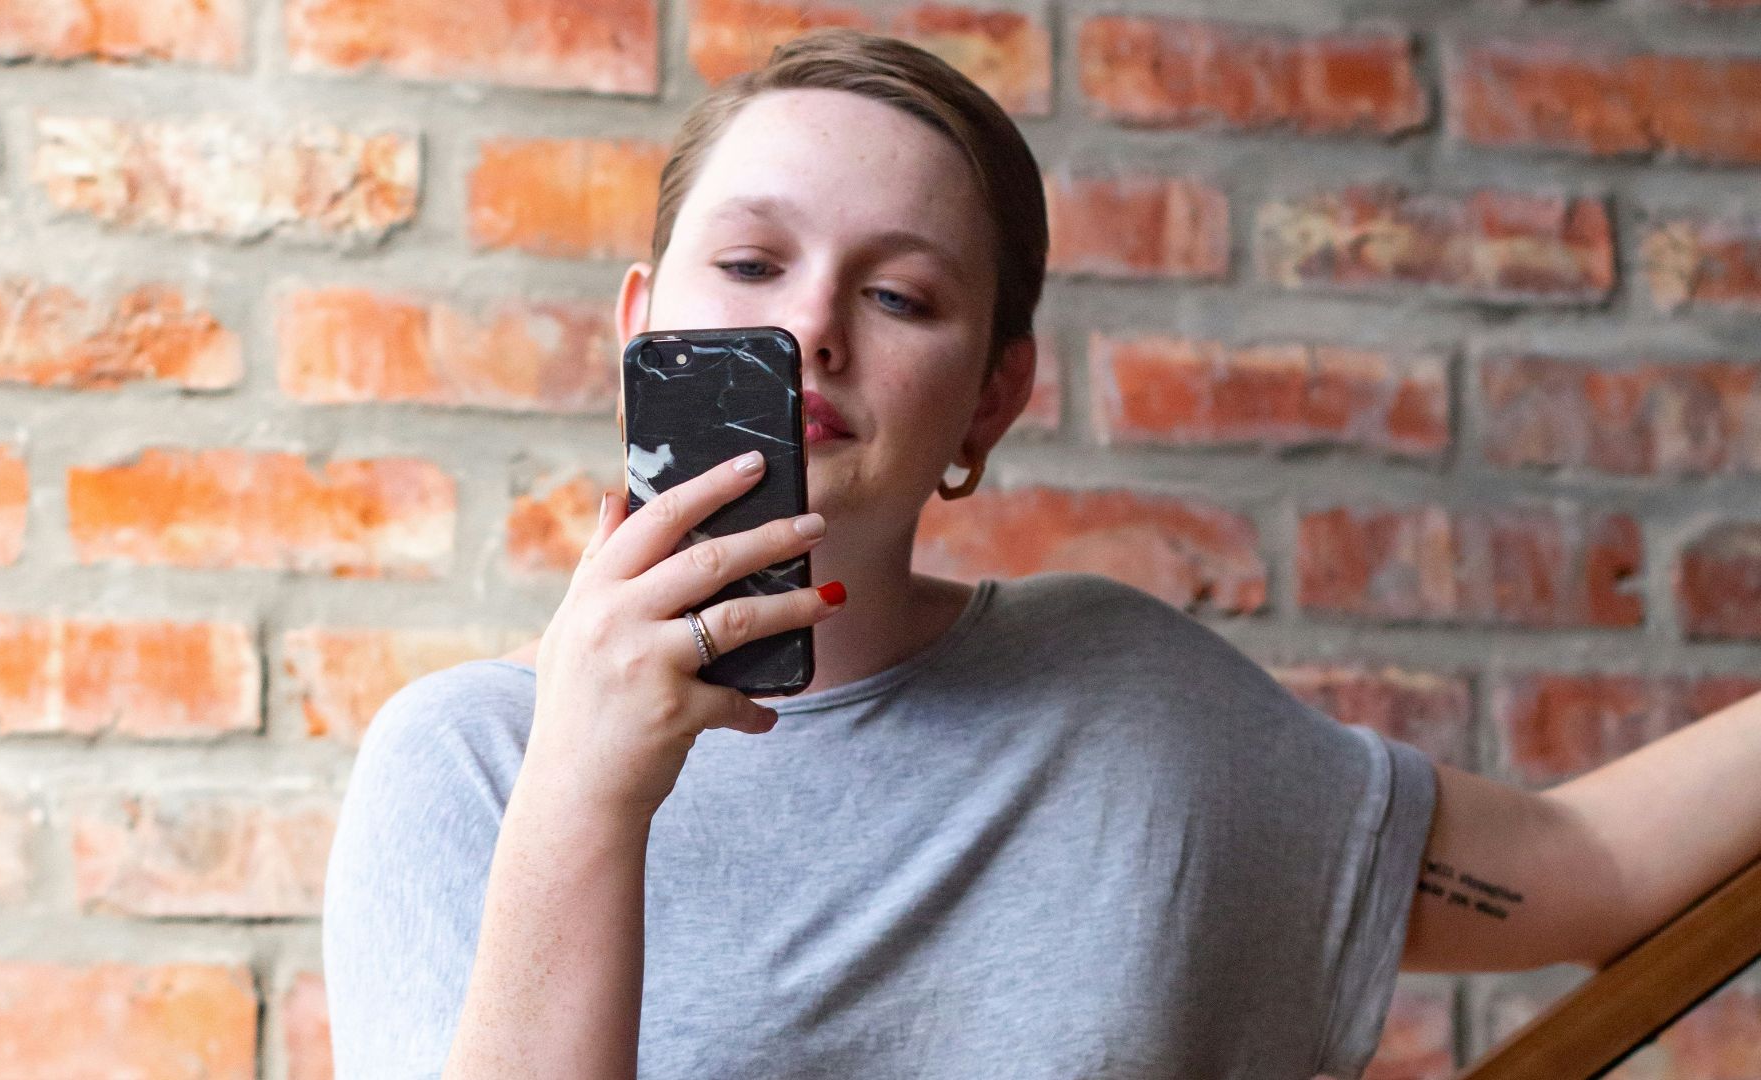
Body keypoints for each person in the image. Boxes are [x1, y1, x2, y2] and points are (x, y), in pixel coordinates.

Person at [323, 28, 1761, 1080]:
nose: (816, 326)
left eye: (899, 291)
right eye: (752, 265)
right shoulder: (467, 767)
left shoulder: (1131, 712)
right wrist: (588, 786)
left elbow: (1587, 871)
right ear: (644, 324)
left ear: (993, 396)